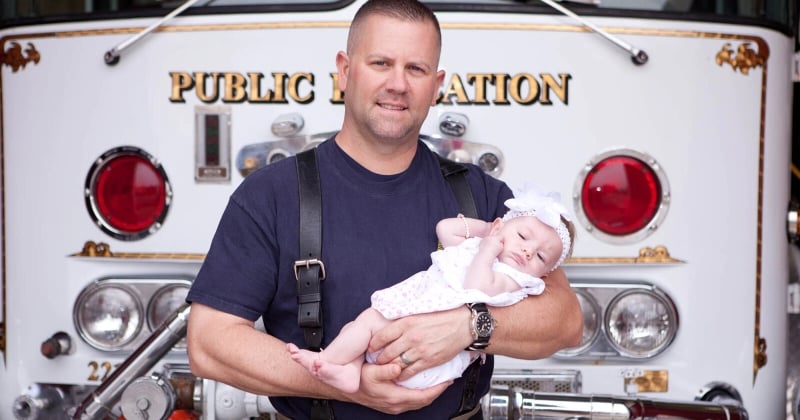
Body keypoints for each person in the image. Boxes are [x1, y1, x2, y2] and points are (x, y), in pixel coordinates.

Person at [185, 0, 583, 418]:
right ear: (344, 70)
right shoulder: (271, 194)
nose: (398, 84)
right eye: (380, 63)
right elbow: (210, 343)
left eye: (416, 69)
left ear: (437, 84)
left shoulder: (482, 196)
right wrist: (345, 384)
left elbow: (566, 320)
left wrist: (469, 326)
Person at [287, 187, 576, 393]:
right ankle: (348, 371)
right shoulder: (478, 245)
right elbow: (445, 229)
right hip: (411, 340)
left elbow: (476, 289)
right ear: (502, 228)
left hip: (429, 361)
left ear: (545, 272)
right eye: (523, 236)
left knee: (369, 323)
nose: (527, 251)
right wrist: (489, 228)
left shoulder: (512, 279)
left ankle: (325, 360)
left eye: (540, 257)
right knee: (359, 326)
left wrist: (489, 250)